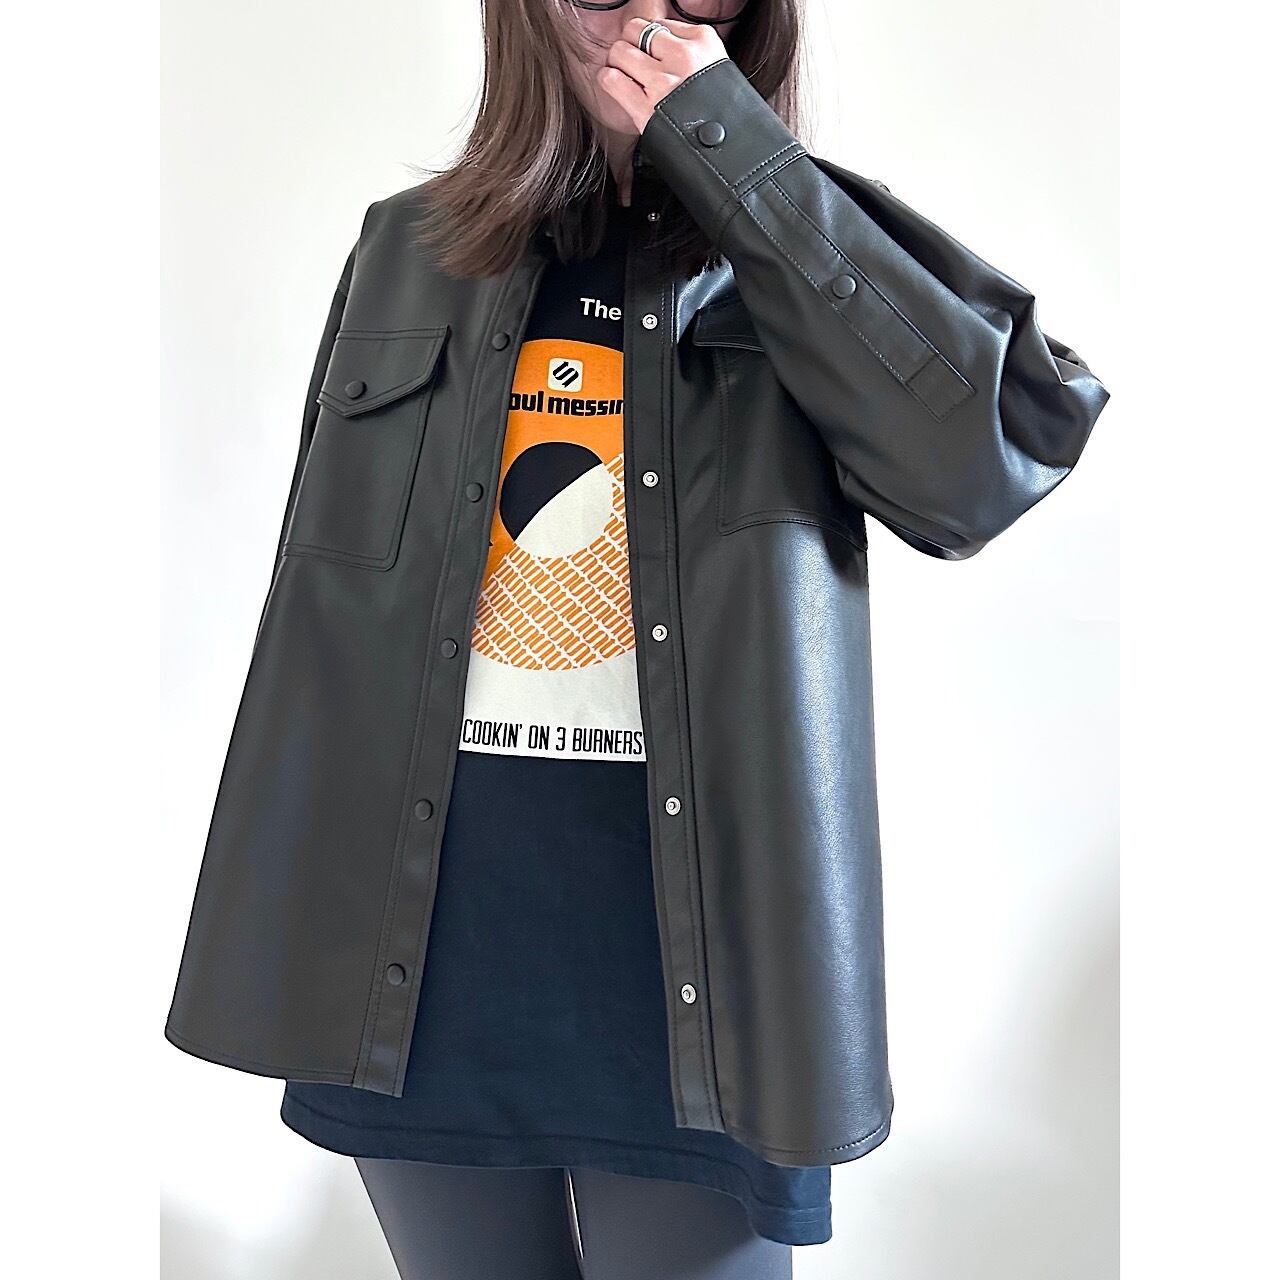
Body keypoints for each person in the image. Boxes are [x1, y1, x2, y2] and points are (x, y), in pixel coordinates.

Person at [165, 1, 1109, 1277]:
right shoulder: (403, 251)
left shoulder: (802, 249)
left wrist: (736, 159)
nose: (652, 17)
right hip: (421, 961)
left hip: (708, 976)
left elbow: (986, 462)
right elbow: (322, 617)